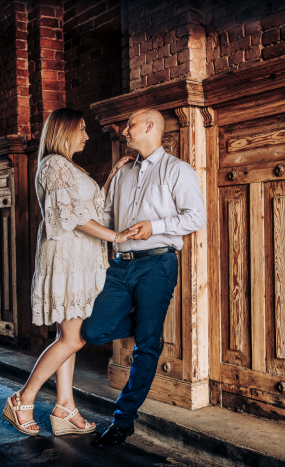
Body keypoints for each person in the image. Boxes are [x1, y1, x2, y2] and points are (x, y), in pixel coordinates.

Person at [2, 108, 135, 436]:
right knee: (74, 338)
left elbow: (89, 210)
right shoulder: (54, 165)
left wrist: (113, 174)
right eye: (81, 130)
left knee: (69, 336)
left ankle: (64, 405)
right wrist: (116, 238)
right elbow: (72, 217)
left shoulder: (66, 167)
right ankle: (23, 398)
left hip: (80, 258)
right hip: (69, 260)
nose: (87, 137)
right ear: (63, 132)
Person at [81, 108, 206, 448]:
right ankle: (148, 327)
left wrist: (156, 226)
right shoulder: (123, 173)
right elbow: (104, 217)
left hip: (157, 263)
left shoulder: (178, 170)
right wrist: (109, 177)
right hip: (120, 266)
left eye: (130, 124)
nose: (124, 130)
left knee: (145, 347)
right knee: (93, 330)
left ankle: (123, 421)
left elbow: (196, 216)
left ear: (149, 127)